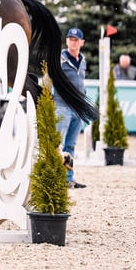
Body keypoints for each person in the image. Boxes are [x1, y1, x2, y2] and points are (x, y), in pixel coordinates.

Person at [54, 27, 88, 189]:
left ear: (82, 42)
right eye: (70, 39)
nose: (72, 42)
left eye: (76, 40)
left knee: (70, 146)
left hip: (76, 109)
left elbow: (81, 83)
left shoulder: (83, 61)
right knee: (57, 145)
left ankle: (68, 178)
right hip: (61, 107)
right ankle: (53, 177)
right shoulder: (59, 59)